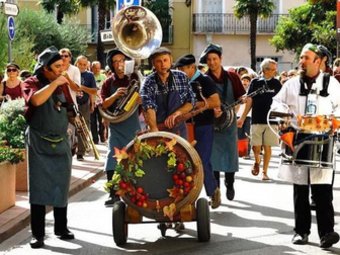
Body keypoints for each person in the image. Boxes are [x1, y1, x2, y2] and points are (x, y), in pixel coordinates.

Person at [271, 43, 340, 248]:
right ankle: (301, 232)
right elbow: (277, 103)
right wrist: (284, 121)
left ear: (318, 61)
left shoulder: (332, 84)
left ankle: (327, 232)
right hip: (298, 141)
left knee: (322, 191)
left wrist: (334, 122)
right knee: (300, 190)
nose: (301, 61)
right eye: (301, 57)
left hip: (322, 142)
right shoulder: (291, 84)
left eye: (306, 58)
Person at [21, 46, 75, 249]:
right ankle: (38, 234)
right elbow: (35, 100)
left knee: (61, 185)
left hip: (61, 141)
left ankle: (61, 228)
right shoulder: (30, 83)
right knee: (39, 188)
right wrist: (55, 84)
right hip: (39, 143)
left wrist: (73, 120)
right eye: (58, 67)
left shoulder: (61, 82)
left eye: (63, 66)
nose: (62, 70)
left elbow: (69, 109)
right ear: (45, 68)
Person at [199, 43, 245, 201]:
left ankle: (230, 183)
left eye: (214, 59)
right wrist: (211, 109)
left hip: (230, 123)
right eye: (208, 60)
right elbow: (200, 100)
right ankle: (216, 190)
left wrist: (237, 109)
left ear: (221, 59)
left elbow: (240, 98)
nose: (211, 62)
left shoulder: (233, 77)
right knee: (212, 157)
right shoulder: (203, 79)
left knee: (230, 155)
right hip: (211, 123)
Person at [174, 54, 221, 209]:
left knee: (201, 160)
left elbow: (215, 101)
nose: (179, 71)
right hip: (183, 127)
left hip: (203, 126)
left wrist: (195, 105)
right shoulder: (177, 82)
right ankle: (186, 201)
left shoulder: (204, 80)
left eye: (183, 68)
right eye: (178, 68)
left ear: (192, 68)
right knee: (183, 163)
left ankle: (213, 191)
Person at [101, 48, 141, 206]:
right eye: (116, 62)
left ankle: (135, 190)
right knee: (113, 157)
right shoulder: (108, 82)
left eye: (122, 61)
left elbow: (144, 97)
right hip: (117, 125)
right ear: (111, 65)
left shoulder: (135, 77)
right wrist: (115, 96)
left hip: (132, 124)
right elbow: (102, 103)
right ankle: (113, 193)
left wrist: (140, 100)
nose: (120, 64)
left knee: (134, 157)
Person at [238, 58, 281, 180]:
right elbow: (250, 100)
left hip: (271, 119)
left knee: (267, 146)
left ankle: (265, 171)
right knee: (256, 146)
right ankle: (257, 160)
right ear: (265, 70)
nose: (274, 72)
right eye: (272, 70)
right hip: (256, 118)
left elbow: (282, 101)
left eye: (275, 70)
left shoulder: (277, 84)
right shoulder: (255, 82)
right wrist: (242, 117)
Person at [141, 47, 195, 138]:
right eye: (159, 61)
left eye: (165, 60)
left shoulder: (181, 77)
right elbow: (149, 107)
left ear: (171, 60)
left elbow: (191, 101)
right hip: (158, 128)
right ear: (153, 63)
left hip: (179, 130)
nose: (163, 64)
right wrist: (154, 131)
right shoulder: (148, 82)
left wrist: (177, 113)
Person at [74, 55, 97, 161]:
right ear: (76, 63)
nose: (82, 66)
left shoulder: (90, 75)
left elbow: (94, 91)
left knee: (83, 127)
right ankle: (72, 147)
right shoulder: (72, 72)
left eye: (84, 64)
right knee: (71, 128)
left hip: (84, 104)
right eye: (80, 64)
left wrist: (92, 103)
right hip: (72, 103)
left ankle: (80, 151)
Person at [90, 61, 107, 144]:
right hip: (92, 102)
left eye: (98, 68)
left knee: (101, 121)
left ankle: (102, 136)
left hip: (101, 102)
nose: (97, 70)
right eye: (95, 68)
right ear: (92, 68)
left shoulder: (103, 76)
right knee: (92, 122)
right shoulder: (90, 76)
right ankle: (95, 139)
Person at [237, 74, 252, 159]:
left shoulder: (250, 92)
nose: (245, 82)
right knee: (238, 134)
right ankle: (239, 151)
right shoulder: (238, 91)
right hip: (238, 115)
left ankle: (247, 152)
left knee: (246, 134)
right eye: (243, 80)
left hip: (248, 116)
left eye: (247, 81)